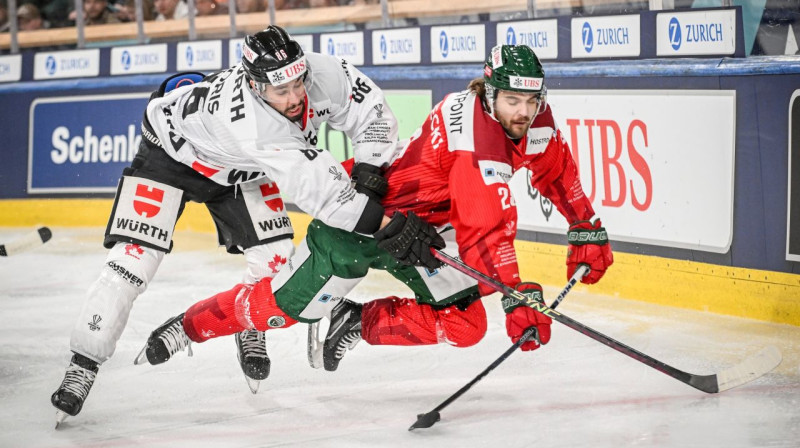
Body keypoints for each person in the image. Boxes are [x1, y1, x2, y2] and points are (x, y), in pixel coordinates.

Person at [135, 45, 613, 380]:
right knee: (282, 310)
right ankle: (190, 325)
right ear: (489, 93)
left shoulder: (523, 117)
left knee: (465, 327)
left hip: (423, 233)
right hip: (357, 224)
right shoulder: (476, 137)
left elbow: (555, 168)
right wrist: (515, 293)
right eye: (513, 100)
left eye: (532, 101)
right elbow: (486, 228)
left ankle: (353, 322)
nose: (523, 112)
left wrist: (585, 227)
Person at [50, 25, 413, 425]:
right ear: (256, 87)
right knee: (132, 264)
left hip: (241, 167)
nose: (295, 98)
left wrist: (369, 166)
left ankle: (248, 321)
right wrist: (386, 225)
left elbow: (370, 111)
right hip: (170, 156)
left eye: (298, 82)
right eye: (281, 91)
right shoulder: (255, 125)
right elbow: (327, 197)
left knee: (275, 256)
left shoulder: (319, 72)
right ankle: (82, 364)